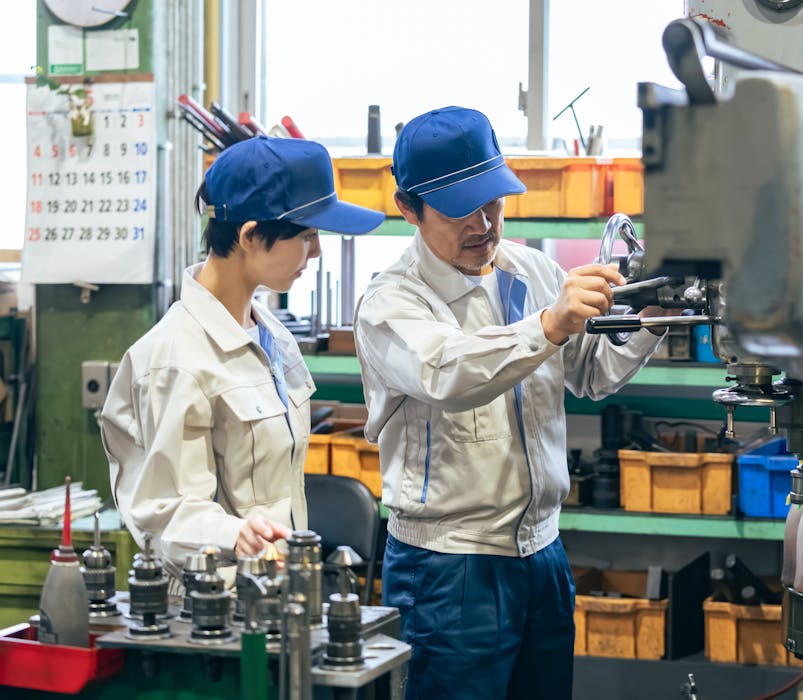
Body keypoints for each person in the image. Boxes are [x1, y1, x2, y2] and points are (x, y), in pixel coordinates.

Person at [354, 106, 675, 699]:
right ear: (408, 208)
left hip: (543, 553)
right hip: (449, 568)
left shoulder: (532, 271)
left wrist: (655, 314)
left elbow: (593, 373)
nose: (483, 223)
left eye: (493, 202)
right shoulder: (392, 303)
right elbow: (448, 372)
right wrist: (549, 325)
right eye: (459, 210)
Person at [100, 135, 384, 579]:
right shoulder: (175, 361)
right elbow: (164, 513)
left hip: (276, 589)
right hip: (211, 601)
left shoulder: (273, 338)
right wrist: (232, 534)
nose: (317, 252)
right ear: (250, 235)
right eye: (307, 235)